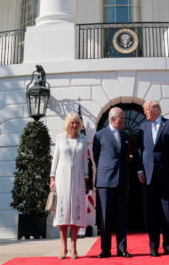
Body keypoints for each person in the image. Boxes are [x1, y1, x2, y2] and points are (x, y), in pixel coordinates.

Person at [137, 100, 169, 257]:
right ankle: (153, 246)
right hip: (148, 176)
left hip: (166, 176)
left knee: (166, 211)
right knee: (152, 212)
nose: (145, 113)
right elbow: (139, 150)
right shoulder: (142, 128)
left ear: (156, 109)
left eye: (146, 110)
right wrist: (139, 170)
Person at [93, 107, 137, 258]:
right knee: (105, 217)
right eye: (121, 118)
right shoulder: (100, 135)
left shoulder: (124, 135)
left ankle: (121, 248)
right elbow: (96, 156)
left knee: (122, 216)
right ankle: (105, 249)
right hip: (105, 181)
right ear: (112, 119)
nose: (124, 120)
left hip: (122, 181)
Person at [50, 113, 90, 259]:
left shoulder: (83, 139)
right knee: (63, 214)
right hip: (61, 178)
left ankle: (74, 247)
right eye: (72, 122)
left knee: (75, 214)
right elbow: (55, 159)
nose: (74, 125)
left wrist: (86, 179)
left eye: (76, 122)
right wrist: (52, 178)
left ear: (79, 125)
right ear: (68, 123)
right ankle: (63, 247)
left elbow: (85, 161)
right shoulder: (60, 138)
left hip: (78, 179)